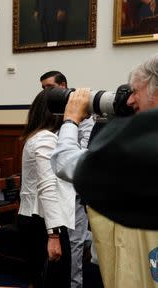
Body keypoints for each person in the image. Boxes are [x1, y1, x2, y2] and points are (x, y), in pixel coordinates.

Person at [50, 53, 158, 288]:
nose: (129, 101)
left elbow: (66, 163)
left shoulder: (144, 153)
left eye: (135, 91)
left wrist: (70, 120)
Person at [40, 70, 94, 288]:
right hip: (54, 190)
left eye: (50, 88)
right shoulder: (49, 114)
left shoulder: (83, 114)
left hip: (73, 190)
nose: (46, 93)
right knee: (59, 245)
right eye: (43, 88)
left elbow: (78, 155)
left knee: (75, 244)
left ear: (63, 86)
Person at [18, 90, 72, 288]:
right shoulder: (45, 139)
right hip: (43, 222)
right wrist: (54, 235)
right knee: (53, 281)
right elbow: (48, 187)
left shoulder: (38, 136)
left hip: (36, 219)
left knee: (40, 280)